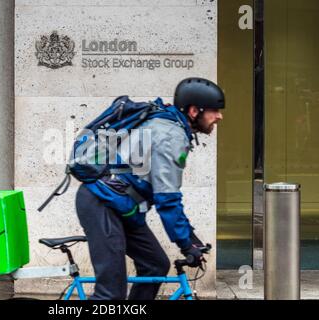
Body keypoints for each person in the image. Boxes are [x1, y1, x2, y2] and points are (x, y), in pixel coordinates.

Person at [74, 77, 225, 300]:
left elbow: (164, 194)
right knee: (110, 295)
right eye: (215, 111)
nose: (219, 117)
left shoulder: (170, 126)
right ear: (194, 111)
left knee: (155, 265)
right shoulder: (169, 135)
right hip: (102, 203)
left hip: (123, 206)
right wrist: (185, 244)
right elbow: (167, 199)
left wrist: (190, 236)